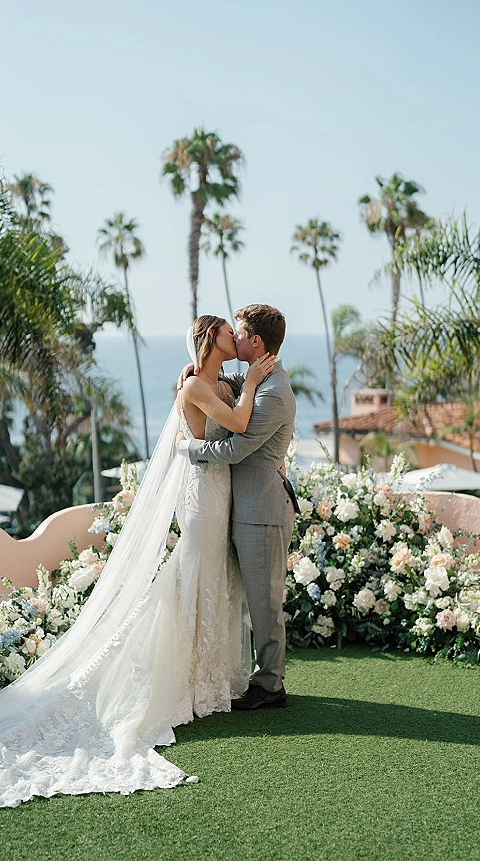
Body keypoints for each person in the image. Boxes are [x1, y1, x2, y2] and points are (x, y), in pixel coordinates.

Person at [0, 315, 274, 811]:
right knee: (193, 575)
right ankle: (184, 677)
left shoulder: (216, 380)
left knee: (211, 578)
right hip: (202, 496)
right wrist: (255, 382)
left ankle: (207, 677)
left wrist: (245, 381)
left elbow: (232, 415)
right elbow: (237, 423)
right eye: (226, 334)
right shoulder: (195, 383)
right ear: (210, 340)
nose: (233, 340)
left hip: (221, 493)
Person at [177, 304, 297, 710]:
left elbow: (235, 448)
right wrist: (190, 371)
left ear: (256, 342)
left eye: (240, 332)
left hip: (261, 510)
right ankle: (257, 678)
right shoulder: (256, 379)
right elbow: (221, 384)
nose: (236, 338)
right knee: (243, 595)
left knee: (265, 601)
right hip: (238, 506)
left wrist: (191, 450)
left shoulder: (274, 392)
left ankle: (270, 687)